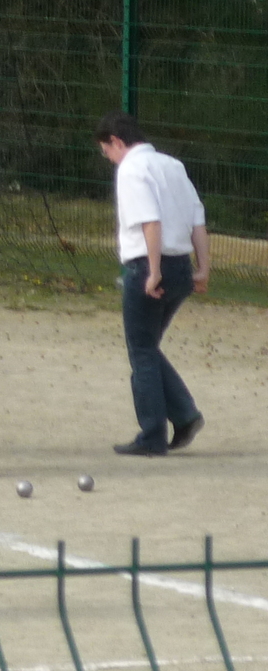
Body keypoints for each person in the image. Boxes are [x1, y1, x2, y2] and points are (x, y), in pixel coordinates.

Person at [94, 111, 209, 456]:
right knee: (148, 346)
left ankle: (153, 434)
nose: (110, 159)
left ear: (116, 141)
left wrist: (153, 270)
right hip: (181, 265)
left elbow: (150, 221)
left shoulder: (131, 169)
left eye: (107, 152)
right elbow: (197, 219)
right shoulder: (172, 165)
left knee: (141, 350)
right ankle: (184, 415)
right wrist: (203, 268)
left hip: (149, 263)